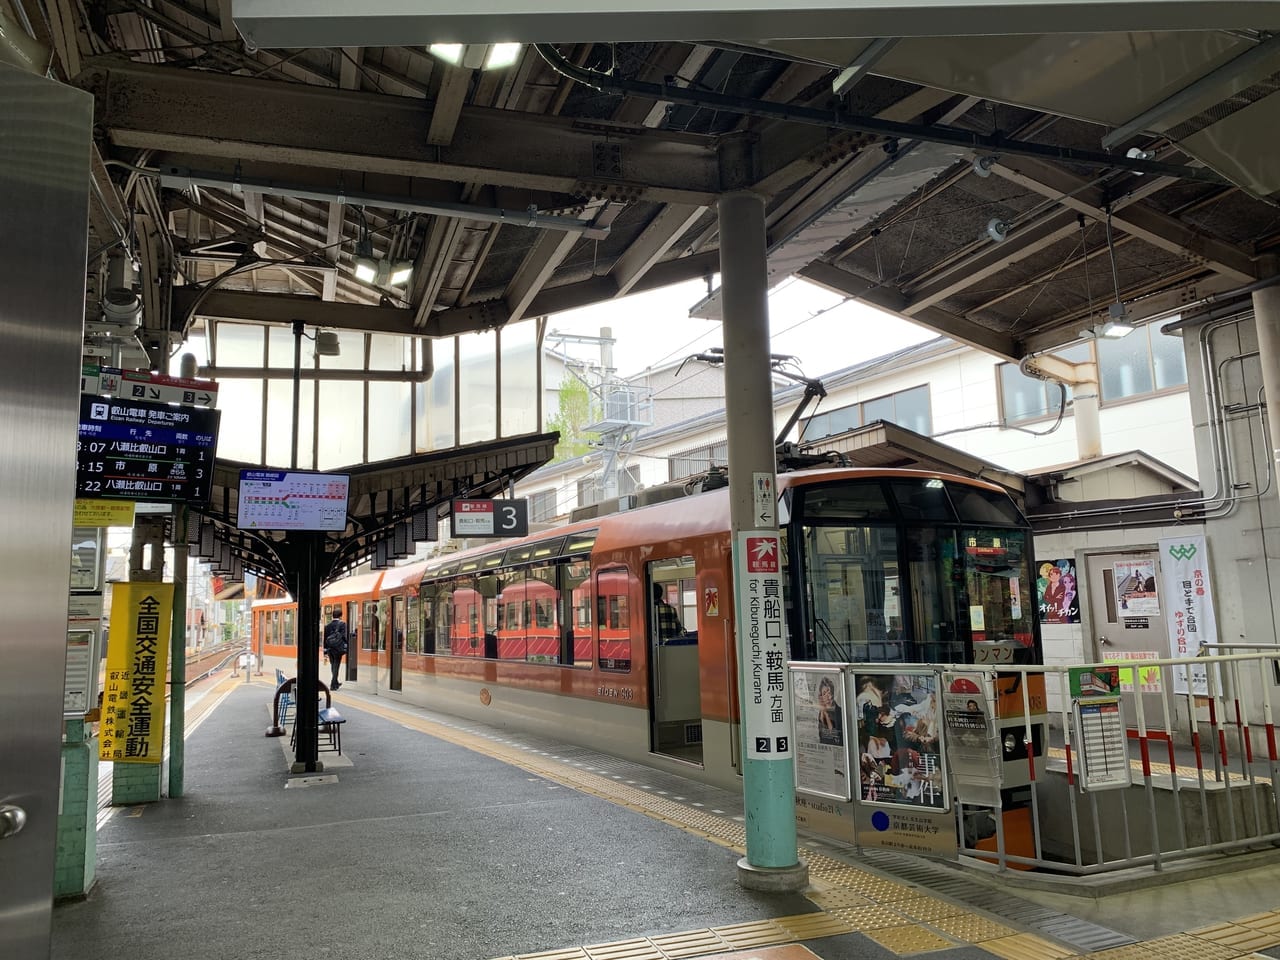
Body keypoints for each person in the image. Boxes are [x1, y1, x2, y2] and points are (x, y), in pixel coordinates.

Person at [323, 609, 348, 690]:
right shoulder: (342, 624)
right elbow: (344, 636)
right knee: (336, 666)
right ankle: (333, 684)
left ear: (332, 616)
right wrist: (345, 646)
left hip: (330, 648)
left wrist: (325, 650)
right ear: (340, 616)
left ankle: (336, 682)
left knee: (333, 665)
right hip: (338, 648)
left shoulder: (327, 626)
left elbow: (325, 638)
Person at [817, 676, 844, 746]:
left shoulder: (841, 712)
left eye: (829, 693)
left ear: (833, 693)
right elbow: (822, 735)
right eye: (824, 694)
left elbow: (833, 734)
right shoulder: (821, 712)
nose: (827, 697)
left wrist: (825, 714)